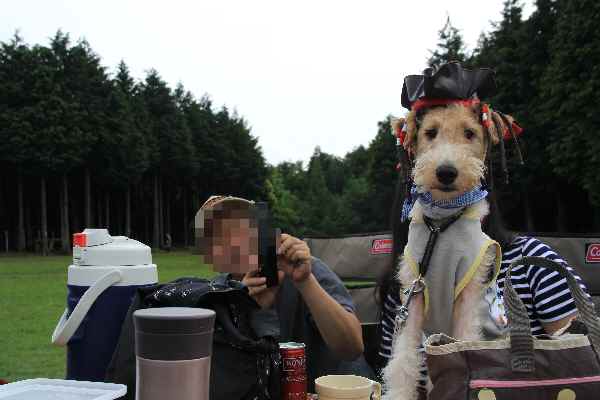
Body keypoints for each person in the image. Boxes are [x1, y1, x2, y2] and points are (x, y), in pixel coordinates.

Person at [375, 181, 590, 380]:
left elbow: (583, 357)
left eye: (462, 200)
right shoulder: (406, 281)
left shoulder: (531, 261)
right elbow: (393, 377)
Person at [196, 195, 369, 390]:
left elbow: (352, 348)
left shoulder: (305, 268)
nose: (235, 240)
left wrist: (305, 282)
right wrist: (240, 305)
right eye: (219, 236)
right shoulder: (216, 295)